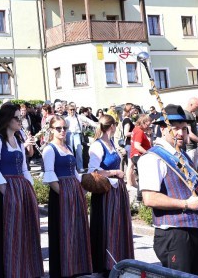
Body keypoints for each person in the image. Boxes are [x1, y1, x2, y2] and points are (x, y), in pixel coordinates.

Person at [138, 104, 198, 277]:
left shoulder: (182, 155)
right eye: (175, 128)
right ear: (163, 130)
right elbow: (149, 198)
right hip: (174, 234)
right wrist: (185, 204)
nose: (180, 133)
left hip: (194, 230)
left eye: (184, 129)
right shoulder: (152, 158)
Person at [0, 103, 43, 278]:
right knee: (6, 233)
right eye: (17, 118)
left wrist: (29, 190)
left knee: (25, 231)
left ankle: (23, 268)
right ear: (7, 119)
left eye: (21, 117)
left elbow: (24, 168)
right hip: (5, 191)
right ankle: (6, 271)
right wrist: (8, 194)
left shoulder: (17, 140)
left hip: (21, 189)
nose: (20, 121)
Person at [42, 116, 92, 278]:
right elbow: (50, 178)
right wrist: (64, 195)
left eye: (64, 128)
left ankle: (75, 267)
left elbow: (75, 172)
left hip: (74, 192)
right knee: (63, 231)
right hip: (61, 194)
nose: (62, 131)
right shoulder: (50, 149)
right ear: (51, 130)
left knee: (76, 229)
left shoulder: (67, 147)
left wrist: (83, 187)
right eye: (58, 128)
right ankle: (62, 270)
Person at [88, 114, 134, 276]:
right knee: (107, 226)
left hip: (116, 190)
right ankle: (104, 264)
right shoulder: (97, 146)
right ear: (112, 126)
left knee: (118, 225)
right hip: (105, 192)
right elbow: (93, 171)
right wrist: (115, 172)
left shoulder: (111, 143)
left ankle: (118, 259)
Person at [184, 97, 198, 167]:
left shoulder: (190, 114)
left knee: (194, 170)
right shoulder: (186, 115)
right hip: (190, 148)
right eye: (197, 106)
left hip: (193, 147)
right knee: (191, 170)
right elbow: (189, 134)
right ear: (191, 104)